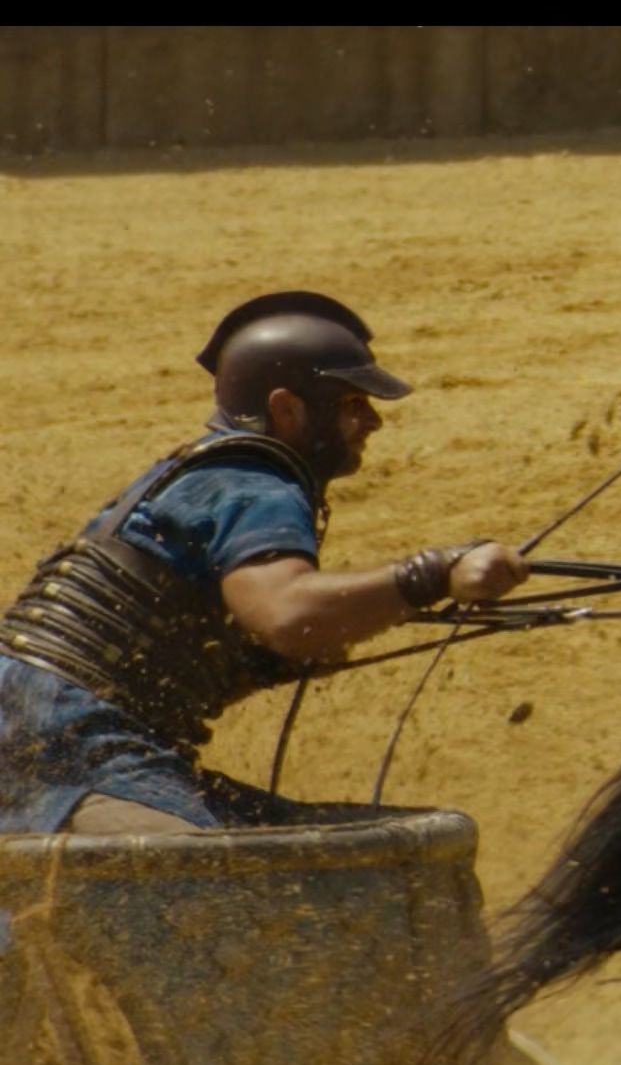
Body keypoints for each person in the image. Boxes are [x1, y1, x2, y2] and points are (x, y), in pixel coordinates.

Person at [0, 293, 531, 835]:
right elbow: (286, 615)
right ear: (286, 409)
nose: (372, 422)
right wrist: (436, 573)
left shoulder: (203, 472)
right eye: (352, 403)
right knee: (282, 885)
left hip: (37, 729)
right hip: (70, 743)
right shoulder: (256, 483)